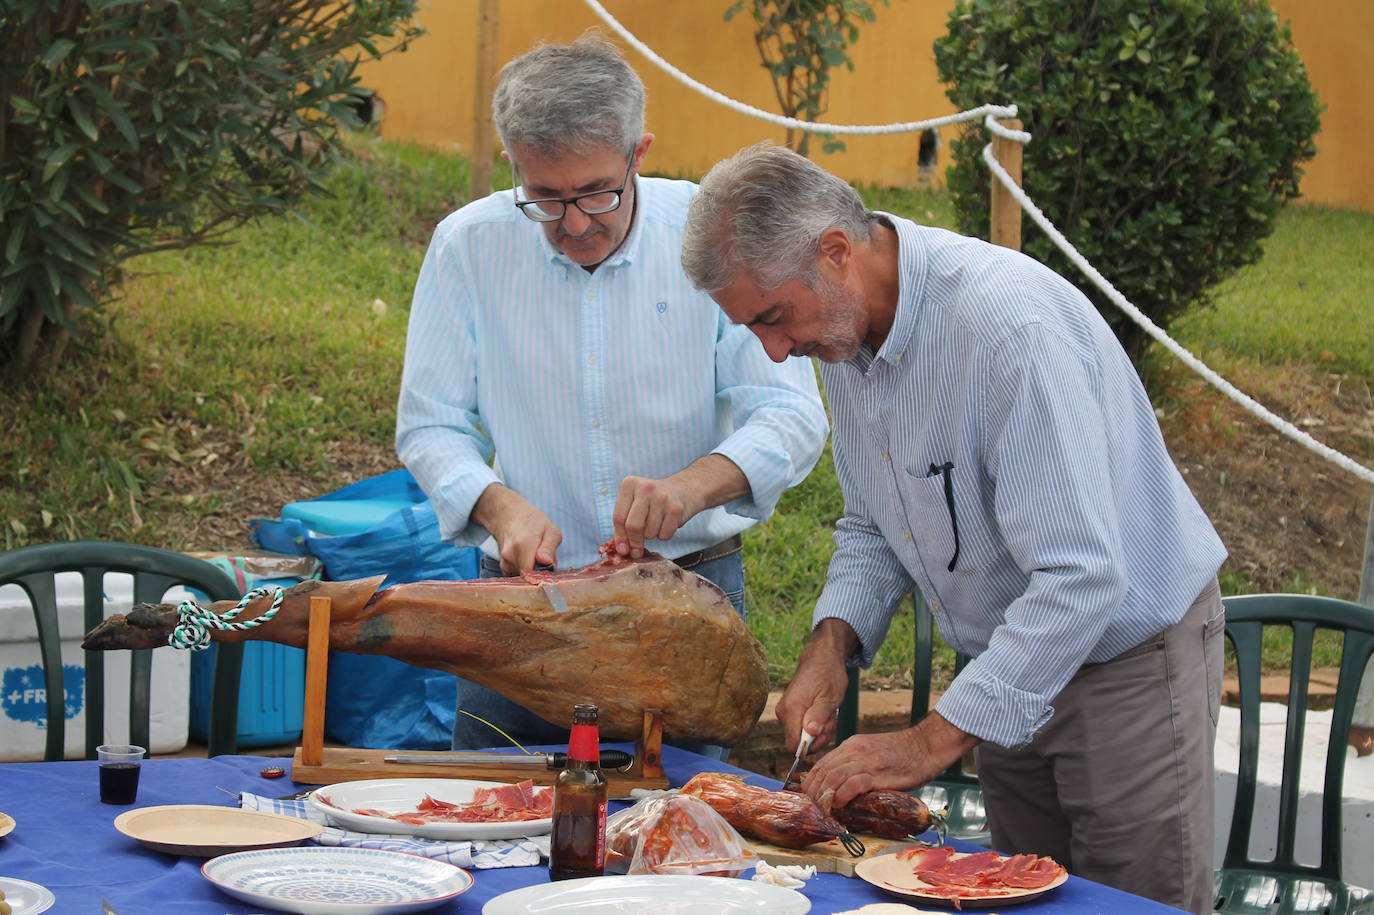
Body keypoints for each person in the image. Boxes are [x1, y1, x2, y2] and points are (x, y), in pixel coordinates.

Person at [680, 142, 1227, 915]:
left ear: (835, 252)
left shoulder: (1009, 331)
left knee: (1127, 905)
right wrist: (830, 643)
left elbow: (1082, 576)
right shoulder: (841, 326)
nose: (776, 350)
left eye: (773, 318)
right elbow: (875, 521)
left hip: (1124, 663)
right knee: (1020, 902)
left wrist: (927, 740)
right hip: (1003, 663)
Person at [395, 40, 827, 753]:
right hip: (522, 606)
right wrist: (498, 506)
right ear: (514, 166)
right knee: (489, 825)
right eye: (544, 197)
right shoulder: (468, 245)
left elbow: (789, 413)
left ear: (640, 153)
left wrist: (690, 487)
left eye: (598, 191)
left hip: (681, 600)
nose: (573, 223)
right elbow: (430, 422)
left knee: (676, 835)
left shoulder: (711, 236)